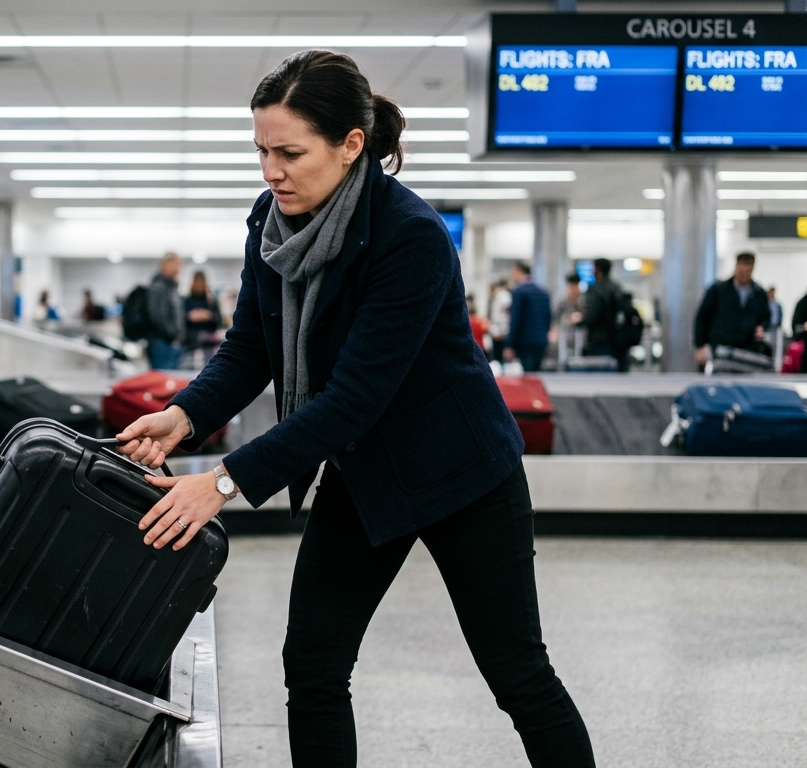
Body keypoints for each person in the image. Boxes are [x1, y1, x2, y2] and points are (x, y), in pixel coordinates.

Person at [115, 50, 593, 768]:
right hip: (366, 472)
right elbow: (251, 346)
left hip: (464, 475)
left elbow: (355, 398)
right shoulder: (270, 223)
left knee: (517, 674)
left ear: (350, 146)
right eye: (261, 151)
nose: (270, 170)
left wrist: (218, 484)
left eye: (288, 152)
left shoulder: (410, 237)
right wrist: (183, 416)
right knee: (312, 661)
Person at [694, 252, 771, 367]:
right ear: (736, 267)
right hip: (719, 347)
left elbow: (765, 317)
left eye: (748, 271)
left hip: (747, 349)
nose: (744, 274)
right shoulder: (718, 291)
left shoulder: (758, 293)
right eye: (741, 269)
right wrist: (700, 346)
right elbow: (702, 318)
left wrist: (762, 327)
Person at [580, 258, 629, 371]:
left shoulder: (595, 290)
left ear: (597, 269)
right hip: (619, 340)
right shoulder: (617, 288)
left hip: (599, 340)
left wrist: (579, 320)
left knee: (601, 377)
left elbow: (591, 316)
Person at [503, 263, 552, 373]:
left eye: (514, 273)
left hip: (525, 341)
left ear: (520, 272)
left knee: (528, 375)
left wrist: (510, 344)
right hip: (541, 341)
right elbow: (548, 317)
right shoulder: (543, 292)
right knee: (537, 374)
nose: (513, 277)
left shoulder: (519, 292)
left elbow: (515, 319)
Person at [145, 252, 185, 370]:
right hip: (162, 342)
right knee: (163, 380)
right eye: (176, 264)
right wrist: (172, 335)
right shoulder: (159, 287)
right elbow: (157, 316)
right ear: (166, 265)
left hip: (169, 342)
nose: (179, 269)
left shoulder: (171, 287)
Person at [183, 270, 223, 366]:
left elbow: (219, 321)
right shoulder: (186, 301)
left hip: (208, 344)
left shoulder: (211, 302)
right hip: (191, 343)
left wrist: (209, 316)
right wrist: (190, 317)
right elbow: (181, 322)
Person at [554, 272, 583, 355]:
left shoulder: (583, 300)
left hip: (580, 337)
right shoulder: (562, 301)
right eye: (571, 286)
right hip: (565, 336)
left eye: (575, 285)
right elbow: (556, 318)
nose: (573, 289)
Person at [487, 279, 511, 360]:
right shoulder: (498, 297)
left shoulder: (502, 295)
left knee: (499, 355)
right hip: (498, 330)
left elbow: (505, 314)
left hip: (500, 332)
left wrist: (500, 331)